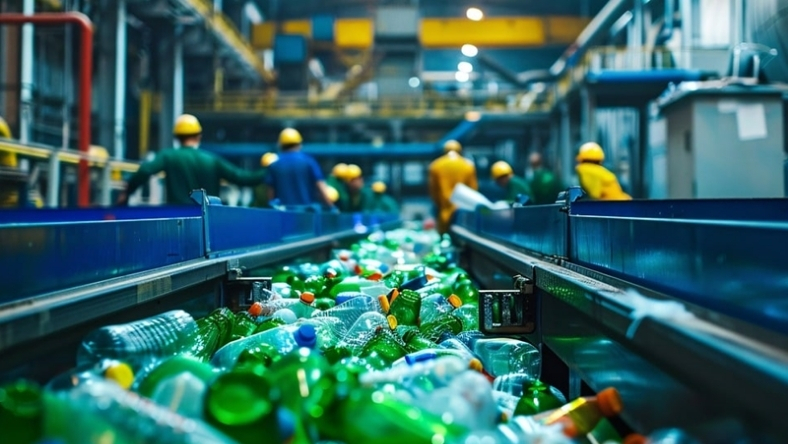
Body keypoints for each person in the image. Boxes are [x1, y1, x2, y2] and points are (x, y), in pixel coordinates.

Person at [118, 114, 264, 205]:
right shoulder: (212, 160)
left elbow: (145, 170)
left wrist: (127, 192)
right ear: (199, 136)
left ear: (176, 137)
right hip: (207, 221)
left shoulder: (168, 156)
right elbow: (243, 178)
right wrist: (270, 169)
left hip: (177, 220)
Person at [265, 128, 335, 208]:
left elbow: (271, 194)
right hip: (305, 214)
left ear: (280, 145)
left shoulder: (275, 165)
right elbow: (320, 186)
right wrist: (331, 207)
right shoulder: (309, 162)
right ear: (299, 144)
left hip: (283, 215)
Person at [428, 139, 478, 235]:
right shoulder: (468, 165)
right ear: (460, 150)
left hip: (444, 212)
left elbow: (433, 191)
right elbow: (473, 190)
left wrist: (441, 206)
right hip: (464, 213)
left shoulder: (435, 165)